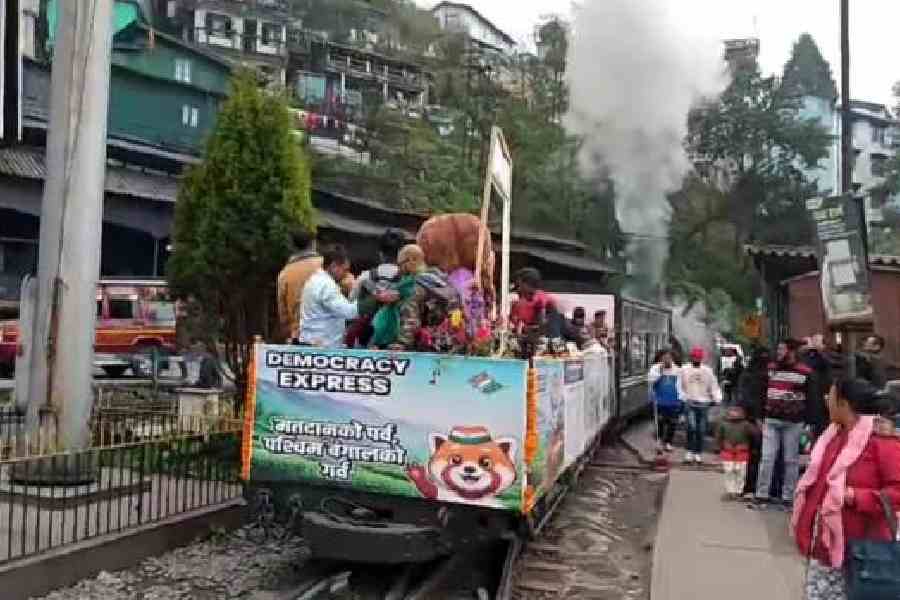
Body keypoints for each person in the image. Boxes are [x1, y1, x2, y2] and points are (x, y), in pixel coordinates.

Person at [791, 379, 900, 599]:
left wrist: (855, 497)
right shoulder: (832, 437)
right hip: (823, 548)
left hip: (862, 554)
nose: (825, 401)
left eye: (829, 396)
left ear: (844, 404)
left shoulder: (882, 442)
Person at [753, 338, 818, 510]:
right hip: (771, 420)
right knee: (767, 458)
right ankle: (761, 495)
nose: (778, 353)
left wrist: (809, 423)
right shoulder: (770, 369)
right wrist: (759, 417)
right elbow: (760, 392)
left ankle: (788, 497)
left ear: (791, 352)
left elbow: (812, 399)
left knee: (791, 460)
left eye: (782, 350)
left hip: (794, 422)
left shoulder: (805, 372)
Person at [298, 245, 394, 348]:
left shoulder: (315, 279)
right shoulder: (326, 285)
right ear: (334, 266)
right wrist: (376, 299)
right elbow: (349, 311)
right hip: (321, 346)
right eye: (344, 270)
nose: (346, 274)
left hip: (315, 342)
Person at [345, 229, 404, 348]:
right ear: (401, 253)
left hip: (368, 338)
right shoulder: (407, 280)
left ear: (380, 253)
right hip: (397, 341)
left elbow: (351, 303)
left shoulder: (365, 277)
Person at [276, 228, 321, 343]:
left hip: (299, 335)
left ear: (292, 246)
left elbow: (283, 314)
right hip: (326, 334)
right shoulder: (325, 265)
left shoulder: (285, 274)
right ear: (313, 244)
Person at [679, 347, 722, 464]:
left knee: (701, 429)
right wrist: (683, 397)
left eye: (698, 357)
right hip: (690, 401)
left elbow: (713, 386)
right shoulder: (684, 369)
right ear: (691, 357)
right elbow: (679, 385)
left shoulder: (707, 371)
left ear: (701, 358)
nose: (696, 359)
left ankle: (697, 453)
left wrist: (717, 398)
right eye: (694, 357)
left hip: (703, 404)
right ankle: (689, 451)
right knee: (691, 427)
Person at [738, 346, 770, 496]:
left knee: (751, 455)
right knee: (760, 455)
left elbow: (743, 398)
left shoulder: (748, 374)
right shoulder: (766, 375)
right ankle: (755, 486)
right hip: (760, 419)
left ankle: (747, 486)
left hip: (750, 419)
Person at [717, 405, 755, 500]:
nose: (735, 413)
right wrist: (719, 447)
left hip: (742, 451)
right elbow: (719, 436)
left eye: (737, 411)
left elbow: (754, 434)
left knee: (741, 472)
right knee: (729, 471)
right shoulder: (723, 424)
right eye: (733, 411)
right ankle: (730, 491)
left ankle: (738, 491)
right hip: (727, 451)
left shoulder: (746, 424)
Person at [649, 349, 682, 453]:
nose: (667, 360)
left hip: (673, 401)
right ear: (661, 358)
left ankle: (668, 442)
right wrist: (660, 372)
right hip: (659, 401)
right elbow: (651, 381)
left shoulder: (677, 370)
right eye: (664, 358)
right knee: (660, 422)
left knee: (672, 423)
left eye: (669, 358)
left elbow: (681, 386)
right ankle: (659, 441)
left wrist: (681, 399)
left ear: (672, 359)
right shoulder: (655, 368)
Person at [510, 268, 560, 338]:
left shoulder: (540, 298)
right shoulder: (518, 301)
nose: (519, 286)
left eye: (520, 283)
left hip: (545, 331)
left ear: (528, 284)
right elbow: (518, 322)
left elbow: (543, 324)